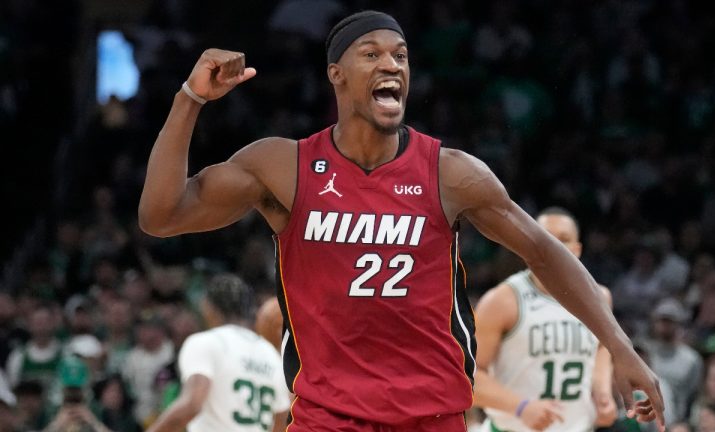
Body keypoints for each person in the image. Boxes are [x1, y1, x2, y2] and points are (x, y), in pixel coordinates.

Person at [138, 10, 665, 430]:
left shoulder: (452, 174)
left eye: (402, 56)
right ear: (337, 76)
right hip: (328, 419)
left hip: (430, 417)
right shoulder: (283, 166)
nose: (392, 65)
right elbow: (161, 216)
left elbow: (543, 252)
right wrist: (191, 100)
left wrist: (620, 347)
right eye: (372, 54)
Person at [473, 207, 618, 432]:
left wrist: (602, 391)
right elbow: (467, 379)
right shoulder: (502, 301)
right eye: (545, 238)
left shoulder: (600, 298)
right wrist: (521, 407)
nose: (555, 247)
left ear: (577, 249)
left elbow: (601, 347)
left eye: (564, 240)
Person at [146, 274, 290, 432]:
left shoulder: (204, 342)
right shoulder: (270, 354)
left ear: (208, 307)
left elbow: (192, 404)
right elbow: (281, 420)